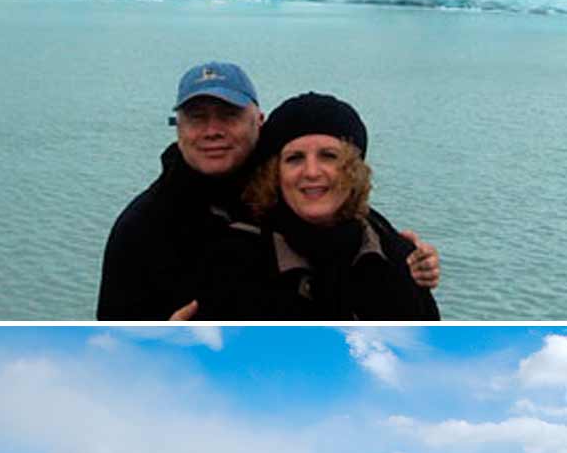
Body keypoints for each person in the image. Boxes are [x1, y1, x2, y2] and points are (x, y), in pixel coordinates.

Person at [96, 62, 440, 320]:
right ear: (178, 128)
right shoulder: (143, 227)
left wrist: (408, 254)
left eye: (228, 115)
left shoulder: (360, 231)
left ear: (258, 122)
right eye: (197, 117)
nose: (212, 130)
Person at [191, 92, 439, 320]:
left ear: (354, 169)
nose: (311, 172)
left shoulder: (393, 251)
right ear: (274, 174)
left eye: (329, 156)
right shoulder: (232, 259)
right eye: (294, 158)